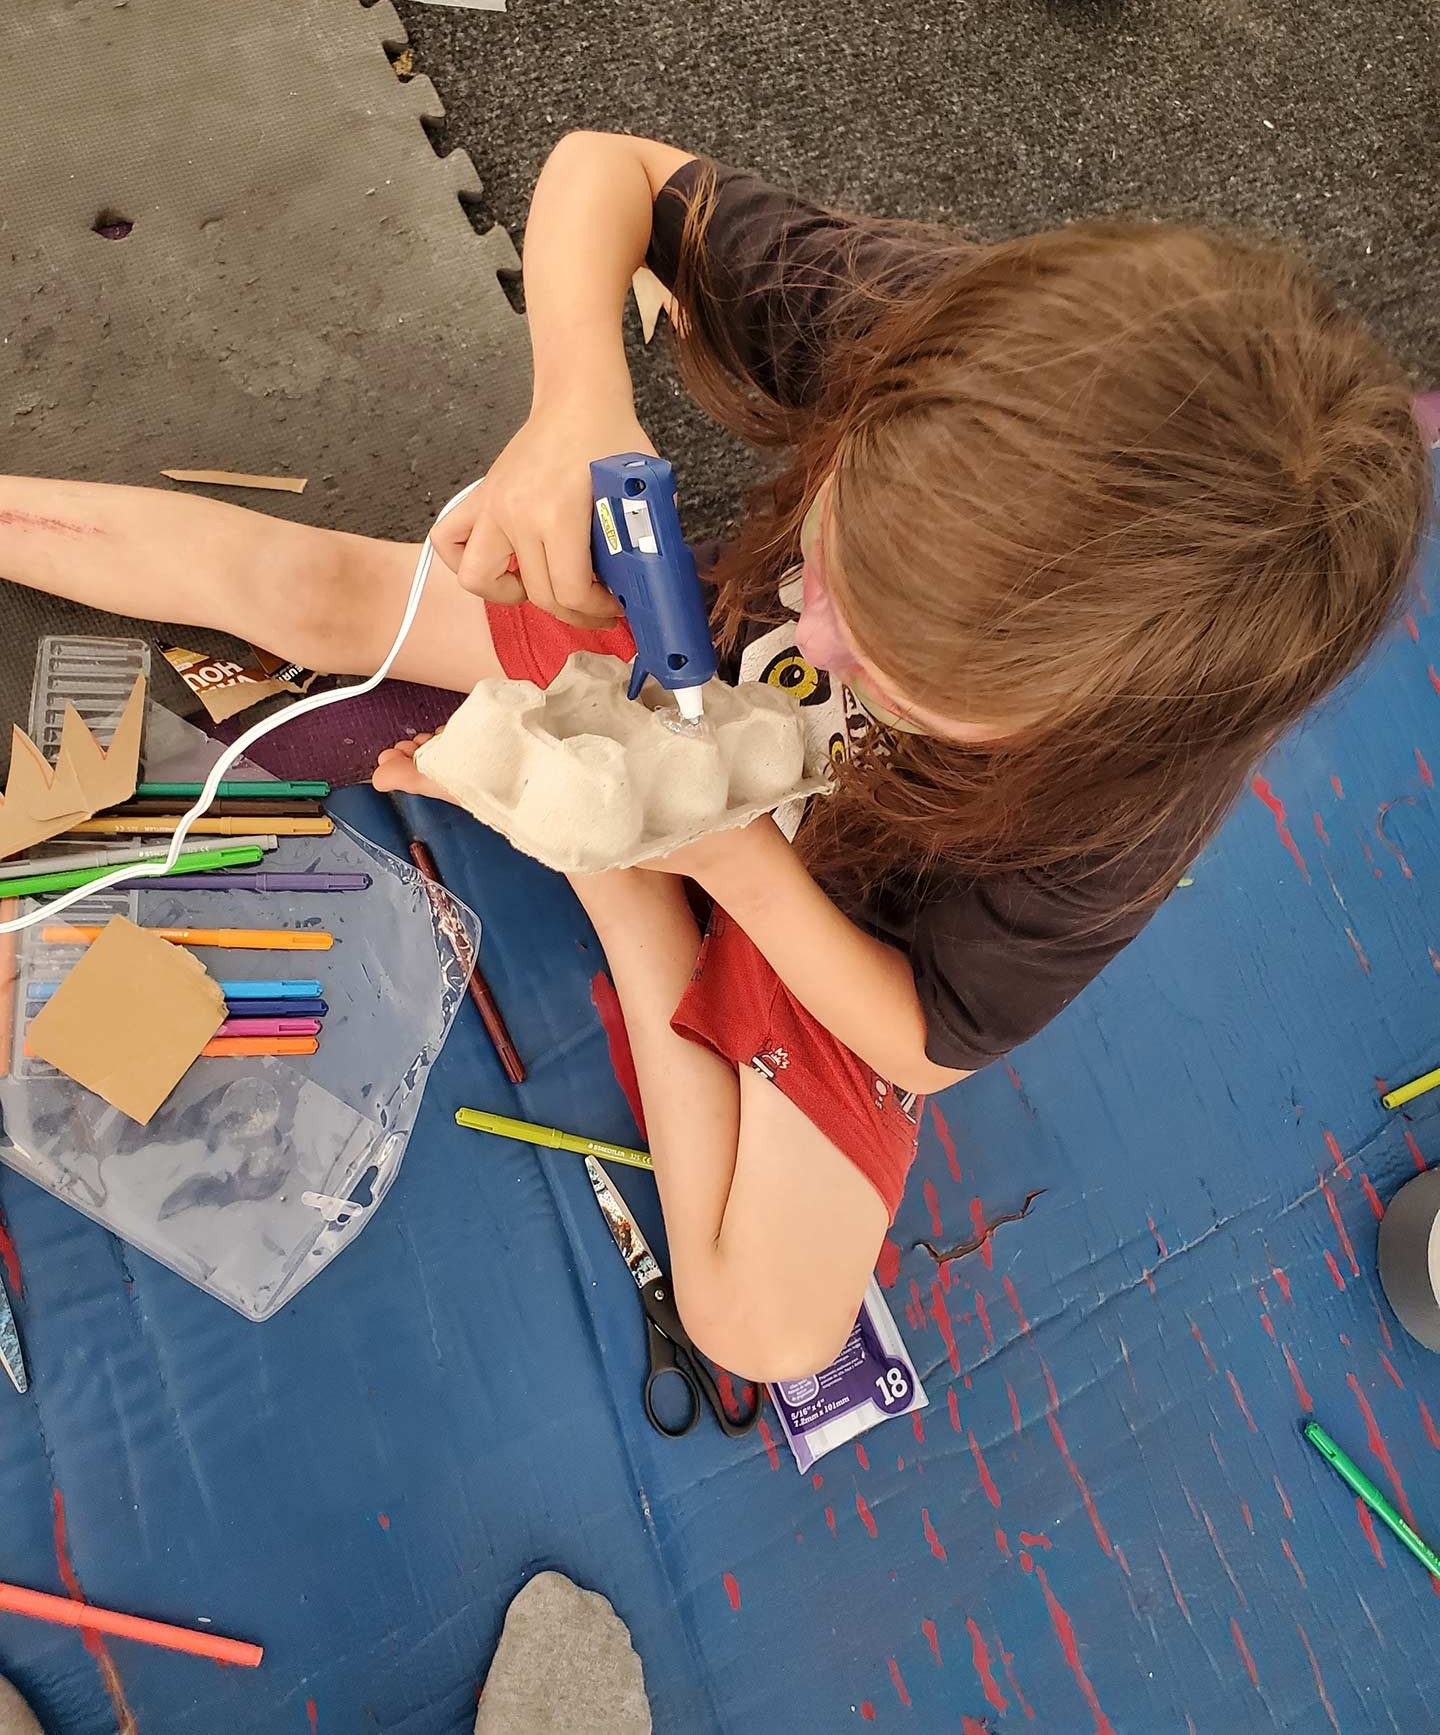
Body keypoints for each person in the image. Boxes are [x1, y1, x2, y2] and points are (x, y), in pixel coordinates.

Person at [1, 132, 1427, 1379]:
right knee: (324, 601)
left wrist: (692, 859)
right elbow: (602, 171)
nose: (815, 617)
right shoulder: (951, 365)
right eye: (832, 555)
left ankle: (622, 905)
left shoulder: (1109, 819)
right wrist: (576, 406)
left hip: (838, 911)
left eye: (893, 668)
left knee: (761, 1329)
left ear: (1080, 732)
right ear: (891, 401)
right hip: (668, 665)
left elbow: (919, 1045)